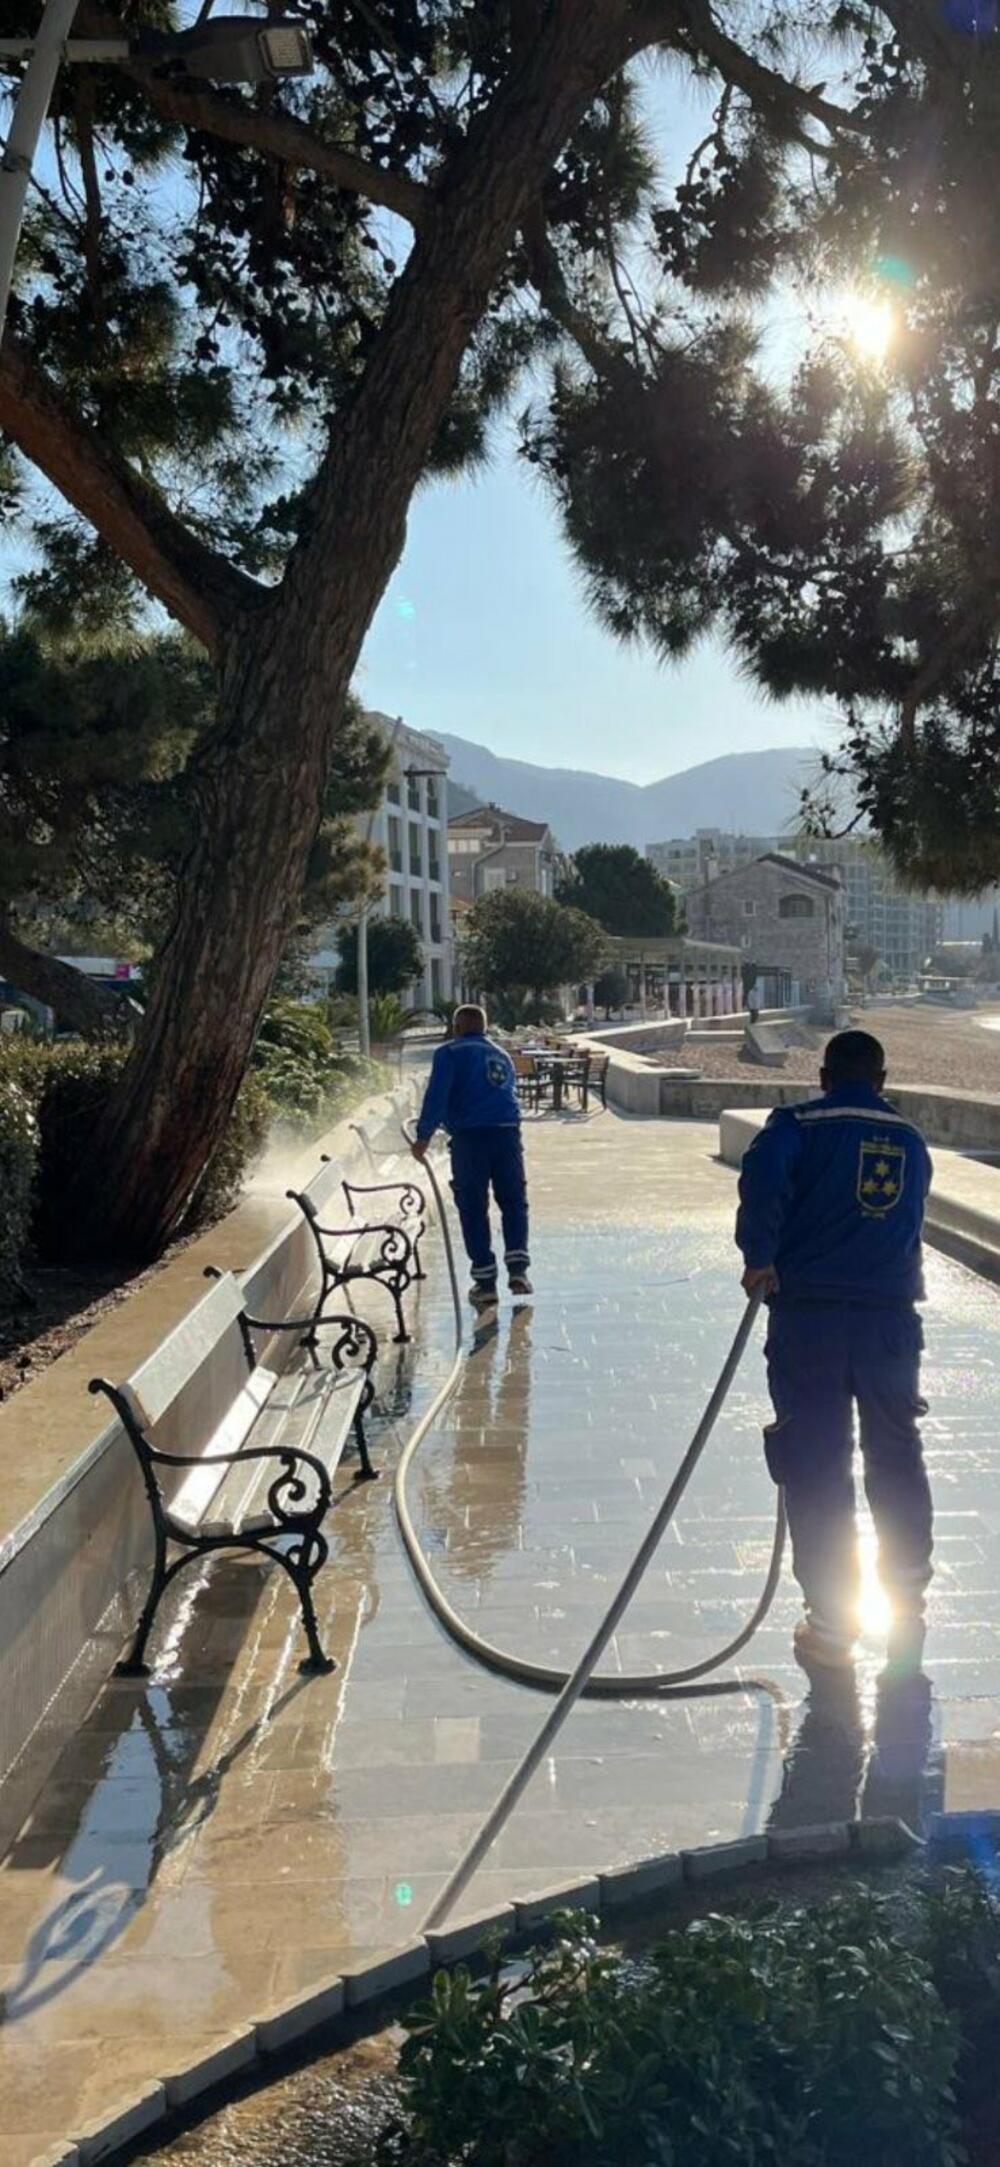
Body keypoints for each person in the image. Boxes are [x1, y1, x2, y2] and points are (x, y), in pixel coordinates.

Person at [736, 1029, 934, 1673]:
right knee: (896, 1456)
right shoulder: (908, 1139)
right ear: (881, 1080)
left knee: (818, 1465)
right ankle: (905, 1596)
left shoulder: (796, 1123)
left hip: (811, 1321)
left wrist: (759, 1256)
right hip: (888, 1325)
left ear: (824, 1075)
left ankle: (831, 1620)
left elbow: (761, 1176)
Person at [411, 1004, 531, 1305]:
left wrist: (423, 1136)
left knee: (473, 1205)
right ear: (484, 1027)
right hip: (507, 1135)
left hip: (471, 1138)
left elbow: (437, 1095)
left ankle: (485, 1281)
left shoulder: (450, 1054)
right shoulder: (501, 1055)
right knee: (513, 1200)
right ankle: (518, 1269)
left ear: (458, 1027)